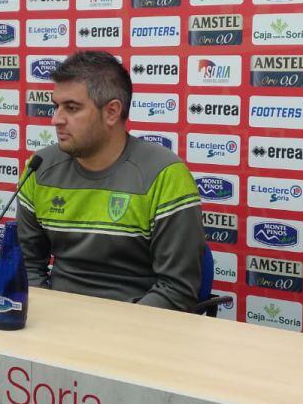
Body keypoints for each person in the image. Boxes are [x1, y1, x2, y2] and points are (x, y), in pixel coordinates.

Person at [16, 50, 205, 311]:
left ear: (112, 112)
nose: (56, 119)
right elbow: (26, 266)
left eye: (71, 108)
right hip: (56, 325)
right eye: (55, 106)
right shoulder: (39, 169)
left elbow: (177, 288)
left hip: (137, 329)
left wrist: (111, 331)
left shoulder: (164, 174)